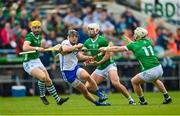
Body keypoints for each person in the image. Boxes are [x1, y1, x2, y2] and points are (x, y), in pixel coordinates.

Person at [100, 27, 172, 105]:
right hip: (159, 68)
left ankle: (142, 101)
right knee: (155, 80)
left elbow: (119, 48)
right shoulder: (149, 42)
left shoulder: (134, 45)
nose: (134, 35)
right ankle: (167, 97)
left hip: (150, 70)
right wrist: (129, 41)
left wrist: (106, 48)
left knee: (134, 81)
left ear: (138, 36)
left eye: (135, 34)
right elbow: (137, 45)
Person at [83, 23, 136, 105]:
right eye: (88, 29)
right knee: (87, 87)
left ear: (97, 30)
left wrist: (99, 61)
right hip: (100, 67)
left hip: (109, 65)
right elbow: (82, 52)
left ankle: (130, 99)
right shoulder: (87, 41)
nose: (89, 31)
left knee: (115, 83)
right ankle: (102, 96)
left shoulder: (102, 40)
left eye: (91, 29)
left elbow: (109, 54)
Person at [58, 29, 110, 106]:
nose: (74, 38)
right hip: (67, 73)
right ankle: (97, 103)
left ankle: (99, 94)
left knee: (87, 76)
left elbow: (79, 56)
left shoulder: (76, 45)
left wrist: (90, 57)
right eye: (72, 36)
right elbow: (65, 50)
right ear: (68, 37)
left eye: (76, 36)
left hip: (75, 67)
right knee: (84, 90)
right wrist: (77, 46)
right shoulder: (65, 43)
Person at [22, 20, 69, 105]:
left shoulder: (39, 37)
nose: (36, 29)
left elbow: (39, 49)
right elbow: (25, 47)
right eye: (34, 28)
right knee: (42, 77)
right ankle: (42, 95)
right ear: (31, 28)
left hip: (36, 60)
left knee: (48, 80)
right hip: (28, 62)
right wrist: (37, 48)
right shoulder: (29, 36)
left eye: (38, 27)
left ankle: (58, 100)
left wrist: (51, 48)